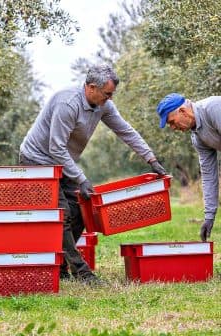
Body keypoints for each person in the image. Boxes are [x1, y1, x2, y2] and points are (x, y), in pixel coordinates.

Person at [19, 64, 166, 284]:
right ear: (90, 87)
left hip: (62, 162)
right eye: (107, 94)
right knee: (62, 214)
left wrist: (151, 159)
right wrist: (82, 179)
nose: (110, 98)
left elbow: (125, 130)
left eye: (111, 94)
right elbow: (56, 148)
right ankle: (82, 272)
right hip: (37, 160)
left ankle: (58, 266)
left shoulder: (103, 105)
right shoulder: (67, 104)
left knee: (82, 210)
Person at [156, 93, 221, 242]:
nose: (172, 128)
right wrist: (209, 217)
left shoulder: (214, 108)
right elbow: (209, 174)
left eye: (171, 122)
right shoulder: (198, 137)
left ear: (183, 111)